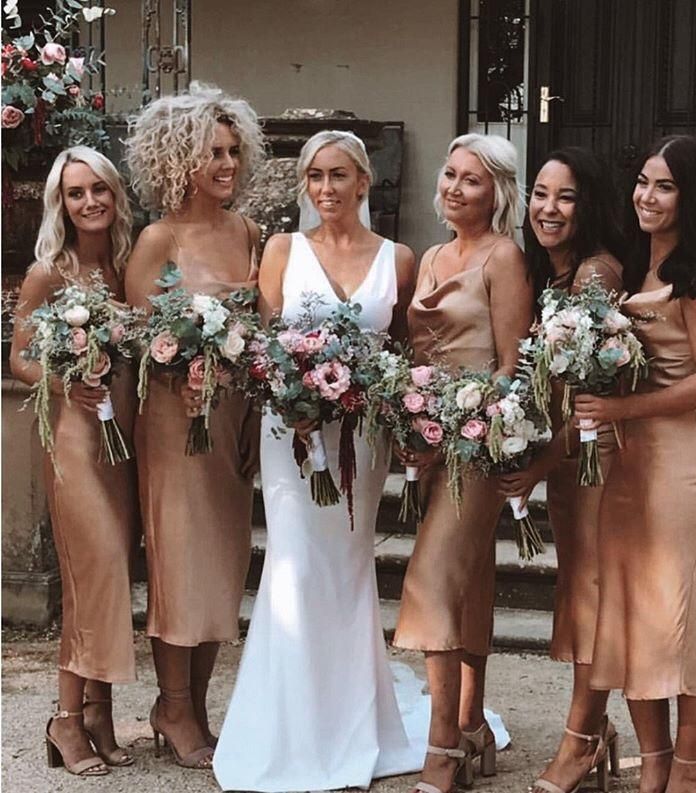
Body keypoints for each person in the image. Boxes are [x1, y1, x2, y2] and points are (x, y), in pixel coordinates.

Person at [213, 129, 423, 792]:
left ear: (365, 182)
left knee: (348, 568)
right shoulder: (282, 250)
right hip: (292, 432)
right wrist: (292, 398)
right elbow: (264, 348)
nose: (326, 189)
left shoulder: (400, 259)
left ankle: (350, 726)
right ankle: (286, 731)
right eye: (315, 177)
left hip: (362, 437)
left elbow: (403, 355)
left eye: (339, 175)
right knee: (295, 564)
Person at [574, 136, 696, 793]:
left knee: (682, 620)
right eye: (642, 181)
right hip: (626, 469)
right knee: (632, 621)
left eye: (663, 185)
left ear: (689, 196)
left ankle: (692, 768)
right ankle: (656, 765)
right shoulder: (626, 269)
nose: (646, 195)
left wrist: (624, 409)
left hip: (682, 470)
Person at [124, 83, 263, 769]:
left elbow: (262, 332)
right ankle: (173, 704)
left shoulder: (248, 234)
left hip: (234, 420)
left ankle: (196, 704)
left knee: (221, 567)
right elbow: (137, 345)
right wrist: (181, 374)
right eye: (214, 153)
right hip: (175, 426)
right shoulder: (158, 240)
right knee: (179, 563)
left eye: (234, 151)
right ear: (181, 159)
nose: (229, 164)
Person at [392, 133, 530, 793]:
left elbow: (510, 364)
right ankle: (471, 721)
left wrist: (476, 419)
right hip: (433, 438)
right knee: (471, 578)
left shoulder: (504, 258)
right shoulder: (432, 256)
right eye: (449, 175)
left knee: (434, 577)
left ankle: (442, 743)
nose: (453, 187)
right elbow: (421, 355)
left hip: (480, 439)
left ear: (497, 191)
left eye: (471, 180)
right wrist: (413, 423)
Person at [497, 147, 625, 793]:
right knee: (580, 590)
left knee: (592, 595)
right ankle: (591, 731)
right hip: (567, 461)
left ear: (589, 203)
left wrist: (542, 458)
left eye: (566, 196)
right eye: (541, 193)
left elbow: (589, 396)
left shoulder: (595, 274)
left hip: (595, 459)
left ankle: (581, 741)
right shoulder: (548, 274)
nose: (548, 208)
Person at [10, 146, 139, 776]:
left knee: (111, 571)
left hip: (122, 441)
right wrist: (68, 383)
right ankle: (65, 719)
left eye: (98, 190)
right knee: (98, 571)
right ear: (59, 203)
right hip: (73, 439)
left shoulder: (124, 267)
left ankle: (99, 713)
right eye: (75, 193)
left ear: (115, 195)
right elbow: (20, 360)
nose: (89, 202)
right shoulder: (47, 273)